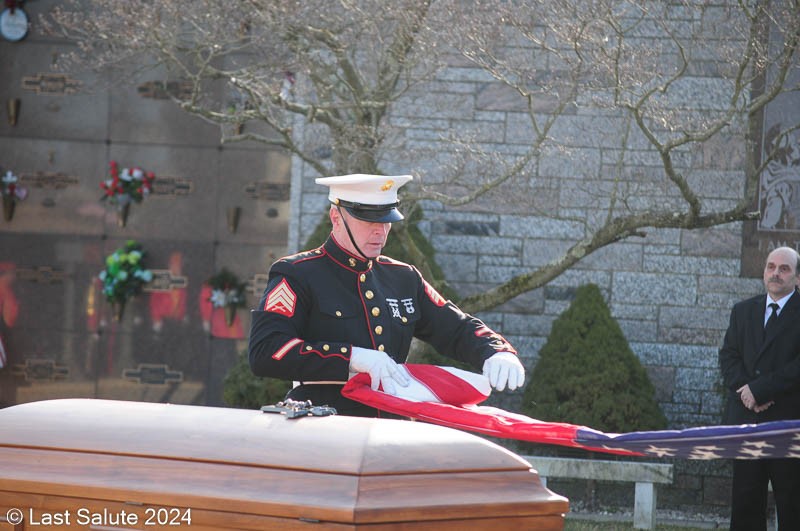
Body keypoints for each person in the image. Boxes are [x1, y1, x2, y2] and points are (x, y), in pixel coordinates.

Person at [249, 173, 525, 417]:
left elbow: (455, 328)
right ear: (336, 217)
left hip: (391, 426)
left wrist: (496, 351)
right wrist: (351, 358)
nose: (380, 231)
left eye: (385, 221)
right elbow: (266, 350)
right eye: (368, 220)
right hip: (325, 424)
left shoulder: (403, 277)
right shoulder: (297, 273)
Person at [718, 246, 800, 531]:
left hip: (788, 425)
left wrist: (761, 390)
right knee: (746, 505)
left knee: (792, 504)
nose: (775, 273)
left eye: (784, 268)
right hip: (746, 421)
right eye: (771, 266)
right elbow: (728, 356)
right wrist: (747, 392)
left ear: (797, 277)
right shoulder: (742, 311)